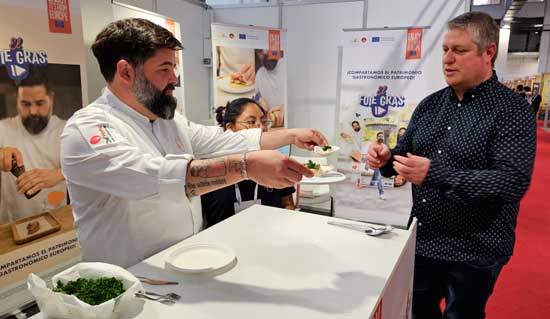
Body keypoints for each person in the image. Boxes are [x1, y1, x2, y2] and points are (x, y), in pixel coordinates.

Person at [60, 18, 327, 268]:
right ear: (126, 72)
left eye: (173, 68)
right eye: (164, 69)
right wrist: (246, 167)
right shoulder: (87, 130)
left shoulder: (167, 120)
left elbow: (221, 140)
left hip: (184, 264)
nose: (174, 79)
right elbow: (155, 177)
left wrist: (291, 135)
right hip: (130, 279)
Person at [367, 12, 535, 319]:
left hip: (475, 249)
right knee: (416, 313)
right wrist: (386, 159)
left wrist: (435, 174)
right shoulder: (430, 105)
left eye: (459, 51)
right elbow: (403, 158)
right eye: (445, 50)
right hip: (422, 241)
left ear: (489, 53)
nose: (447, 59)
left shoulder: (511, 111)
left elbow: (511, 182)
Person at [201, 98, 295, 228]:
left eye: (263, 121)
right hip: (223, 245)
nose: (261, 127)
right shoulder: (211, 169)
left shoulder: (275, 163)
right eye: (251, 122)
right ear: (230, 128)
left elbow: (288, 203)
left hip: (270, 241)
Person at [0, 68, 67, 224]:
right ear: (17, 100)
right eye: (25, 104)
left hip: (57, 224)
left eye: (39, 103)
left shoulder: (67, 129)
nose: (33, 111)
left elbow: (90, 167)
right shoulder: (3, 128)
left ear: (51, 98)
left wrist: (59, 174)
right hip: (12, 226)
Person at [254, 49, 285, 127]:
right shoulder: (260, 73)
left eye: (267, 48)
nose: (265, 53)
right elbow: (256, 95)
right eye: (260, 51)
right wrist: (260, 99)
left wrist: (286, 106)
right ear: (257, 54)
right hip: (272, 126)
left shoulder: (289, 65)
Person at [370, 132, 386, 200]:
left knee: (377, 175)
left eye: (382, 136)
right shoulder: (373, 145)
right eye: (379, 136)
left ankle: (372, 182)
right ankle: (381, 193)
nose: (381, 137)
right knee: (379, 178)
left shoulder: (384, 146)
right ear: (377, 137)